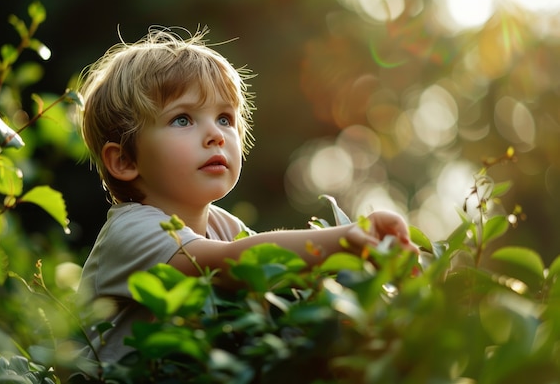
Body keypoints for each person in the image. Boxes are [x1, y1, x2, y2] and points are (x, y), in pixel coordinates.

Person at [76, 27, 415, 362]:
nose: (215, 135)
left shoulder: (223, 227)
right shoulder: (131, 232)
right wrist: (347, 240)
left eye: (224, 118)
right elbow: (240, 262)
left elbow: (280, 270)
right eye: (182, 120)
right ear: (124, 160)